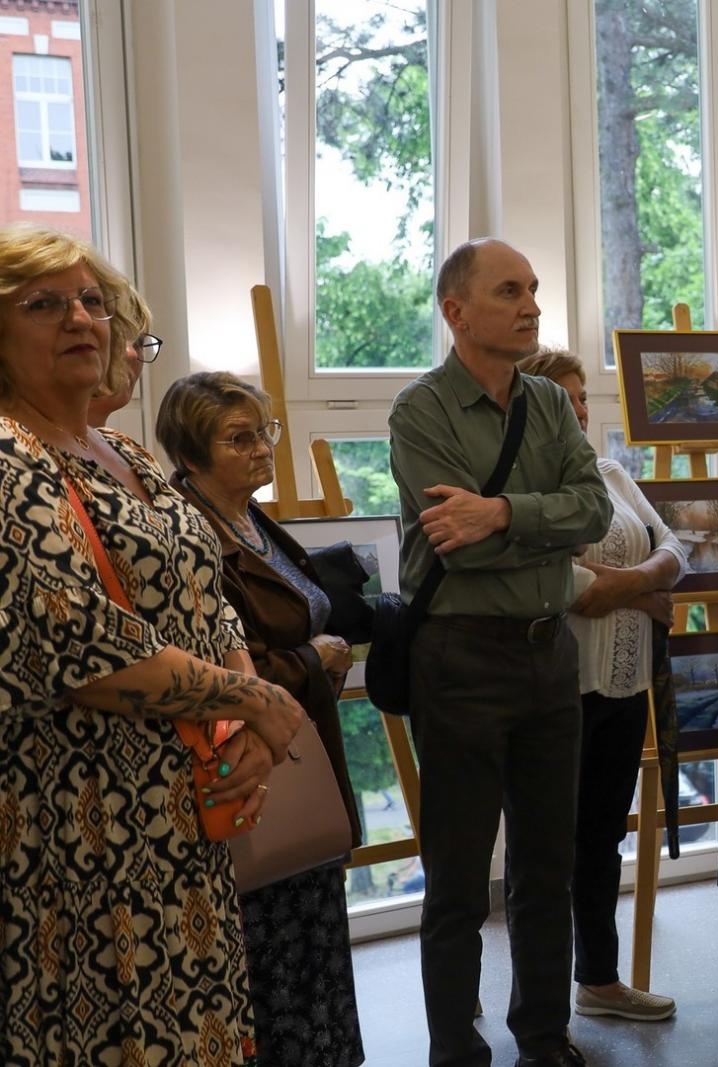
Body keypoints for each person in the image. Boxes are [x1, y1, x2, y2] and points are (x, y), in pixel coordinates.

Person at [0, 224, 305, 1064]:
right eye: (43, 304)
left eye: (92, 302)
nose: (80, 319)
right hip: (78, 828)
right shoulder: (6, 455)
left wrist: (247, 726)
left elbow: (210, 598)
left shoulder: (124, 449)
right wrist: (260, 700)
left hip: (181, 829)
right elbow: (86, 649)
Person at [388, 238, 612, 1067]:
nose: (532, 305)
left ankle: (544, 1036)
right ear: (456, 310)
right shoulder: (420, 410)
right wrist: (521, 524)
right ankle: (456, 1047)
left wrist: (504, 514)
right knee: (455, 878)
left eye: (535, 290)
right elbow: (458, 544)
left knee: (546, 867)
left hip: (549, 655)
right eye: (510, 290)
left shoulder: (551, 402)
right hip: (460, 659)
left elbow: (592, 509)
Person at [158, 371, 366, 1066]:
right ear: (191, 452)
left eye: (264, 432)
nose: (259, 449)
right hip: (252, 772)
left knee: (315, 943)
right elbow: (214, 667)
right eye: (238, 437)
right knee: (270, 960)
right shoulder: (189, 531)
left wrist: (313, 657)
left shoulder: (249, 516)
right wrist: (313, 657)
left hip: (302, 752)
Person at [517, 345, 687, 1023]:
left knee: (600, 840)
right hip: (557, 685)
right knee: (547, 846)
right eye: (565, 397)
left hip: (623, 686)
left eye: (583, 396)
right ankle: (534, 1002)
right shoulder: (527, 487)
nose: (581, 409)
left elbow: (672, 544)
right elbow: (559, 583)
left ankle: (599, 978)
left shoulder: (610, 471)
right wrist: (638, 593)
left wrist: (634, 583)